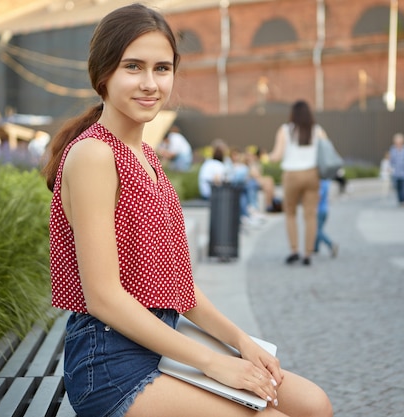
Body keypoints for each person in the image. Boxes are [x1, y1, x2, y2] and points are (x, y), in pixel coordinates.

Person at [41, 4, 332, 417]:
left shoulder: (146, 155)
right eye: (133, 67)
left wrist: (241, 341)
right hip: (109, 363)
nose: (149, 83)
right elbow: (103, 297)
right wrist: (215, 363)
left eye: (162, 68)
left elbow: (177, 285)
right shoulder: (93, 154)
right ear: (103, 73)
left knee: (315, 405)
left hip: (161, 337)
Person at [269, 100, 324, 266]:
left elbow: (276, 156)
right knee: (310, 215)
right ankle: (308, 254)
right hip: (312, 174)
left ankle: (294, 250)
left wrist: (267, 157)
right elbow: (327, 150)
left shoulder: (285, 130)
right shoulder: (317, 130)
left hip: (292, 175)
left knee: (290, 213)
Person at [314, 179, 338, 258]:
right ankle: (315, 248)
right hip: (326, 209)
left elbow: (318, 196)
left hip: (319, 210)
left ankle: (331, 244)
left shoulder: (321, 182)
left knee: (317, 230)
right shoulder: (327, 181)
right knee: (318, 229)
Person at [389, 132, 404, 206]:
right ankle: (400, 200)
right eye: (397, 142)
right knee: (398, 187)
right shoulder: (392, 149)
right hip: (396, 172)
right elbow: (391, 160)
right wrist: (390, 167)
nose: (398, 143)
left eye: (400, 142)